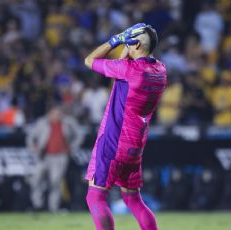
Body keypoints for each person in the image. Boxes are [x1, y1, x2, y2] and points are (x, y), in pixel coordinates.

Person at [84, 23, 166, 230]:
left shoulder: (128, 70)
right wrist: (131, 44)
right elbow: (123, 66)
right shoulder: (160, 70)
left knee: (95, 197)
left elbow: (89, 60)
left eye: (130, 43)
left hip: (113, 139)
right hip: (135, 144)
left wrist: (116, 40)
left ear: (136, 44)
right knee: (133, 199)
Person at [26, 105, 84, 212]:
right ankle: (37, 205)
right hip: (44, 156)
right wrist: (34, 147)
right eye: (54, 113)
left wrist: (73, 147)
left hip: (60, 157)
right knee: (36, 180)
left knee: (55, 182)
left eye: (58, 113)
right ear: (49, 114)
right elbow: (30, 137)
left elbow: (80, 134)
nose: (56, 116)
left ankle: (53, 208)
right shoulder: (42, 123)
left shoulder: (68, 122)